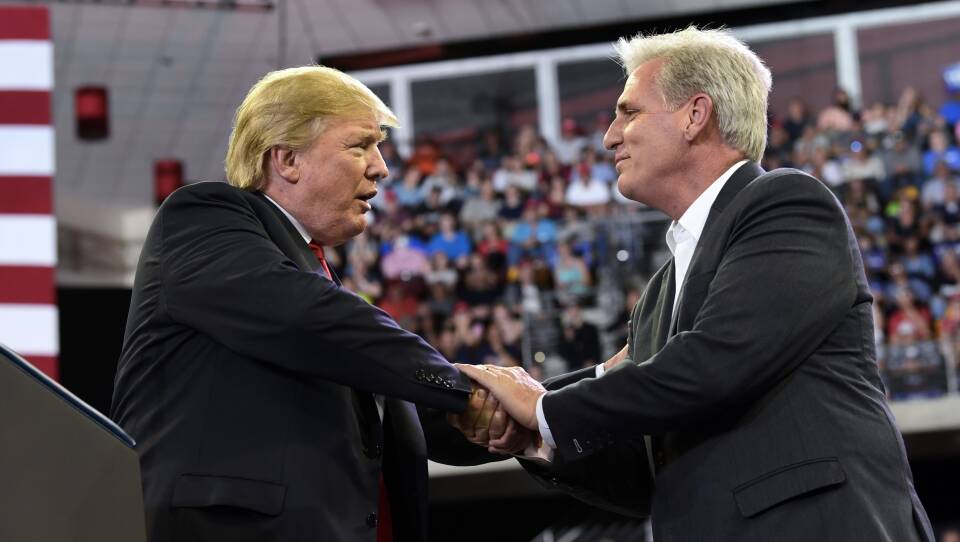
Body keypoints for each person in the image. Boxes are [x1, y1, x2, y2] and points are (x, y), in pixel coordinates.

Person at [458, 27, 935, 542]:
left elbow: (714, 362)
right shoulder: (662, 292)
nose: (610, 136)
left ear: (694, 114)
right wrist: (534, 438)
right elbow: (645, 475)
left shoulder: (787, 203)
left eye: (630, 111)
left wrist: (543, 406)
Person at [110, 66, 522, 542]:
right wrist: (463, 391)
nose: (381, 167)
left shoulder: (326, 291)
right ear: (286, 159)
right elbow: (301, 314)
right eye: (360, 145)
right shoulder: (202, 217)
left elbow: (424, 421)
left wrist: (549, 406)